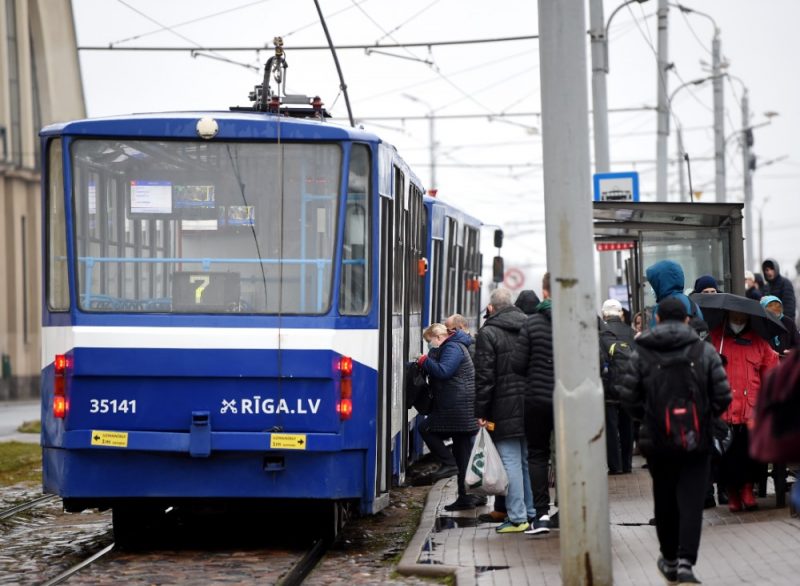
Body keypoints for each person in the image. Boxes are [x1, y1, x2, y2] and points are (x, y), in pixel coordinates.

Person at [619, 297, 731, 585]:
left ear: (656, 320)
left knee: (665, 498)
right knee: (692, 501)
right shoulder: (703, 350)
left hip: (658, 441)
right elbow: (723, 395)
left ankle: (668, 558)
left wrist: (646, 418)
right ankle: (685, 562)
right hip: (698, 439)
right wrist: (703, 417)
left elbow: (628, 396)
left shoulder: (642, 351)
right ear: (686, 320)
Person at [474, 287, 535, 533]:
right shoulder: (529, 326)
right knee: (524, 461)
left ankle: (518, 516)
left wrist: (481, 411)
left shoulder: (488, 333)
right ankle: (529, 512)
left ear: (491, 308)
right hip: (530, 403)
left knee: (510, 460)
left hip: (503, 405)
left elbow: (485, 378)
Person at [709, 308, 779, 513]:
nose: (738, 321)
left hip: (751, 409)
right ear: (727, 318)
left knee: (751, 453)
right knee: (727, 457)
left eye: (742, 317)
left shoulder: (758, 342)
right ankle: (732, 493)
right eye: (735, 317)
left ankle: (748, 490)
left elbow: (771, 371)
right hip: (725, 410)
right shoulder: (715, 339)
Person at [418, 323, 483, 511]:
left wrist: (424, 360)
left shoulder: (453, 347)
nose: (430, 346)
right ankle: (468, 497)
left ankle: (448, 463)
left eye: (430, 342)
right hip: (460, 408)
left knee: (426, 429)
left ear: (438, 338)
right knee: (464, 457)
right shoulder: (453, 346)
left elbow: (444, 371)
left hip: (458, 408)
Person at [510, 274, 555, 536]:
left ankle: (541, 515)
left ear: (546, 291)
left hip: (537, 399)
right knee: (568, 453)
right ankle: (571, 508)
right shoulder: (580, 319)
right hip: (569, 399)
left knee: (537, 455)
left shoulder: (532, 324)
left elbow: (517, 364)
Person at [599, 298, 635, 475]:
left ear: (604, 314)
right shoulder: (631, 332)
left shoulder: (601, 334)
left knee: (612, 428)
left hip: (608, 387)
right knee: (627, 426)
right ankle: (628, 464)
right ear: (620, 313)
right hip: (629, 386)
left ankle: (616, 466)